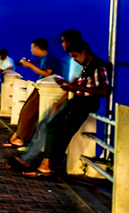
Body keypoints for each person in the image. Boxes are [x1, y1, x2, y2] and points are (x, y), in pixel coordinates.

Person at [12, 40, 111, 177]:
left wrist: (74, 87)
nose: (74, 60)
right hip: (76, 100)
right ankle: (45, 164)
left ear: (83, 52)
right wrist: (69, 86)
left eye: (75, 56)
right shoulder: (87, 65)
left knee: (61, 132)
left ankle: (46, 165)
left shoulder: (97, 66)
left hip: (85, 103)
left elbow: (103, 91)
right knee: (51, 126)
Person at [4, 37, 65, 148]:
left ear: (37, 47)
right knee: (27, 112)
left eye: (32, 47)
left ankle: (20, 139)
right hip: (41, 88)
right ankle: (17, 137)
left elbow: (47, 73)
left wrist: (29, 65)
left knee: (27, 112)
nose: (31, 50)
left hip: (46, 89)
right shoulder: (46, 57)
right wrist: (28, 63)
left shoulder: (49, 57)